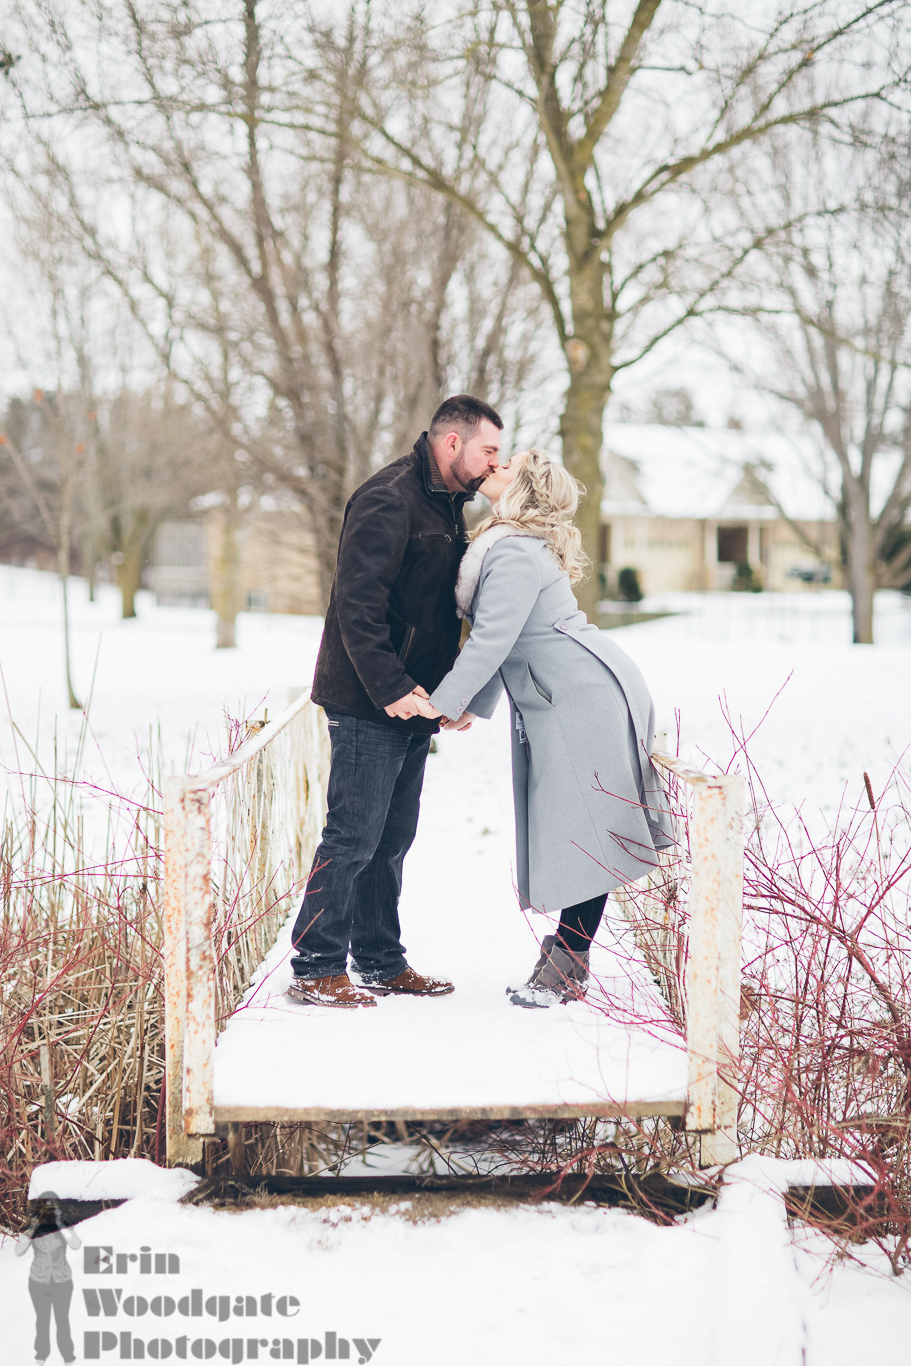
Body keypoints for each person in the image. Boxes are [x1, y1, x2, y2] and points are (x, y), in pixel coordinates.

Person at [425, 447, 675, 1007]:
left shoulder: (512, 552)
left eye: (506, 466)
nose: (494, 467)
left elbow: (491, 641)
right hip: (574, 688)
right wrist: (473, 705)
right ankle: (568, 952)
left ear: (524, 490)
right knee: (584, 824)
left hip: (579, 697)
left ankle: (570, 963)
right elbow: (507, 639)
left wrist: (443, 704)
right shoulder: (511, 545)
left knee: (590, 827)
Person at [287, 394, 504, 1007]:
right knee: (353, 835)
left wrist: (444, 697)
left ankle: (381, 959)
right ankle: (316, 966)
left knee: (392, 837)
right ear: (452, 442)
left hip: (416, 704)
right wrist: (391, 690)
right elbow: (357, 609)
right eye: (489, 450)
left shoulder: (446, 504)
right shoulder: (389, 497)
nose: (495, 463)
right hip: (367, 698)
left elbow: (435, 612)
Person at [15, 1190, 80, 1365]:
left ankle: (68, 1357)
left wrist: (60, 1224)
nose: (49, 1211)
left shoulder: (63, 1225)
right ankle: (41, 1357)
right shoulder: (35, 1226)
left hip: (62, 1281)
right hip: (38, 1281)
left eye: (53, 1207)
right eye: (46, 1208)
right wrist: (33, 1227)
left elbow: (76, 1244)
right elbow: (18, 1251)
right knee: (42, 1321)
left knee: (62, 1321)